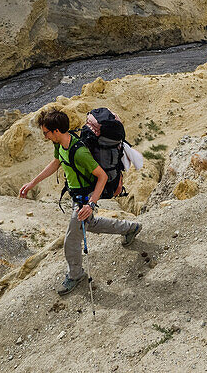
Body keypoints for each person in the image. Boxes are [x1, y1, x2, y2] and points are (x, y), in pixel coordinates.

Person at [20, 109, 141, 295]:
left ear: (56, 131)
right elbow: (55, 163)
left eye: (46, 132)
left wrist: (91, 204)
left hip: (85, 197)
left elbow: (101, 177)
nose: (44, 136)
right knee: (90, 224)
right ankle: (130, 228)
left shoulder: (80, 152)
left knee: (71, 239)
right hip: (77, 195)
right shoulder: (59, 144)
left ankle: (75, 274)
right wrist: (32, 183)